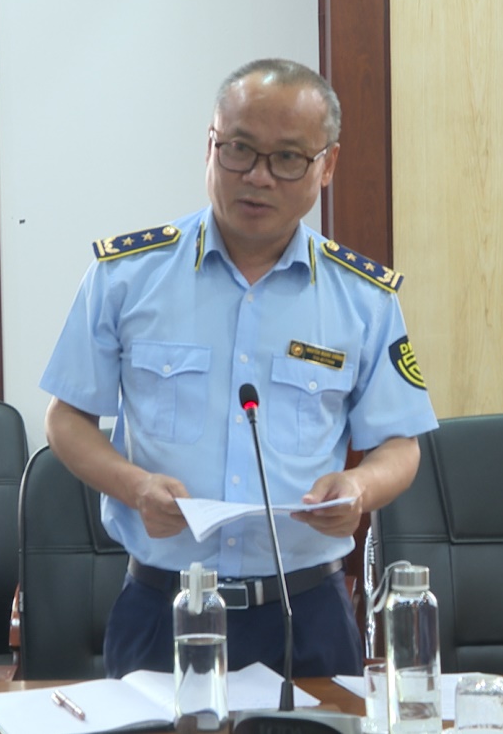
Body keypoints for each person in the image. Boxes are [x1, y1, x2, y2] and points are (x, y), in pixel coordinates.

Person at [40, 58, 438, 678]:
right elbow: (66, 419)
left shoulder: (364, 298)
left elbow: (400, 445)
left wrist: (361, 489)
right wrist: (134, 486)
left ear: (327, 165)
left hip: (307, 612)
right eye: (239, 150)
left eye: (288, 158)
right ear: (210, 145)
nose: (257, 176)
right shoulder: (125, 277)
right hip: (164, 607)